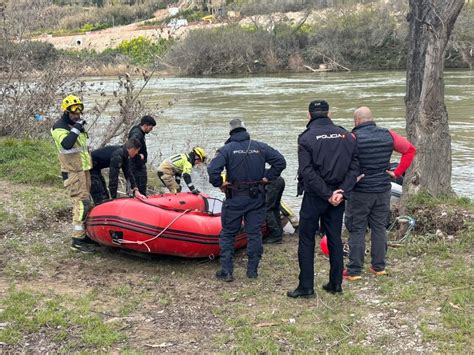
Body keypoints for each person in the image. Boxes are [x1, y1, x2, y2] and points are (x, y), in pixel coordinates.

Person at [287, 100, 359, 298]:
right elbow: (355, 168)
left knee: (306, 239)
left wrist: (327, 194)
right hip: (337, 196)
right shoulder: (347, 136)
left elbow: (306, 172)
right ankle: (336, 284)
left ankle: (306, 287)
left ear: (308, 115)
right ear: (329, 113)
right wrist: (341, 191)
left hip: (316, 196)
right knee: (334, 238)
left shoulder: (306, 138)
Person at [207, 118, 286, 281]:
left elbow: (213, 169)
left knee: (228, 234)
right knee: (254, 233)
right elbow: (280, 161)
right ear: (245, 130)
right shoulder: (260, 147)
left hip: (235, 197)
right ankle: (252, 271)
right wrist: (268, 177)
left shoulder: (226, 149)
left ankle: (227, 271)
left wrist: (219, 183)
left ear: (230, 132)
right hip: (256, 197)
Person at [344, 106, 416, 281]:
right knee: (379, 228)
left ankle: (354, 271)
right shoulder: (388, 134)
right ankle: (379, 267)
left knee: (357, 229)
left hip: (360, 191)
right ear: (371, 118)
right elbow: (410, 150)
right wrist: (397, 172)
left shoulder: (353, 138)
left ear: (357, 121)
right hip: (383, 189)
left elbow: (343, 162)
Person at [51, 95, 95, 252]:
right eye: (74, 112)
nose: (77, 115)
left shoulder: (74, 125)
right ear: (66, 111)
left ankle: (86, 235)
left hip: (83, 170)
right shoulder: (59, 127)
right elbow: (68, 144)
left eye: (79, 112)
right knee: (81, 204)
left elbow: (82, 149)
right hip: (72, 172)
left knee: (87, 203)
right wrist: (77, 127)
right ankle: (77, 240)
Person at [90, 138, 143, 204]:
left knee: (105, 197)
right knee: (101, 198)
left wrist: (135, 189)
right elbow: (113, 178)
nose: (137, 153)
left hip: (96, 169)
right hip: (89, 169)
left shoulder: (124, 153)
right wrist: (114, 199)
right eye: (137, 151)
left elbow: (128, 173)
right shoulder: (118, 155)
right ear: (132, 149)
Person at [128, 115, 157, 196]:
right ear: (145, 125)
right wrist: (138, 156)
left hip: (136, 165)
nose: (151, 130)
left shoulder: (138, 130)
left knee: (137, 187)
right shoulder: (137, 133)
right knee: (140, 189)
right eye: (151, 128)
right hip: (136, 166)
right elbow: (131, 143)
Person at [264, 175, 286, 244]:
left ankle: (276, 235)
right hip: (279, 179)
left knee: (267, 209)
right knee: (275, 207)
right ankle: (279, 231)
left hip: (271, 181)